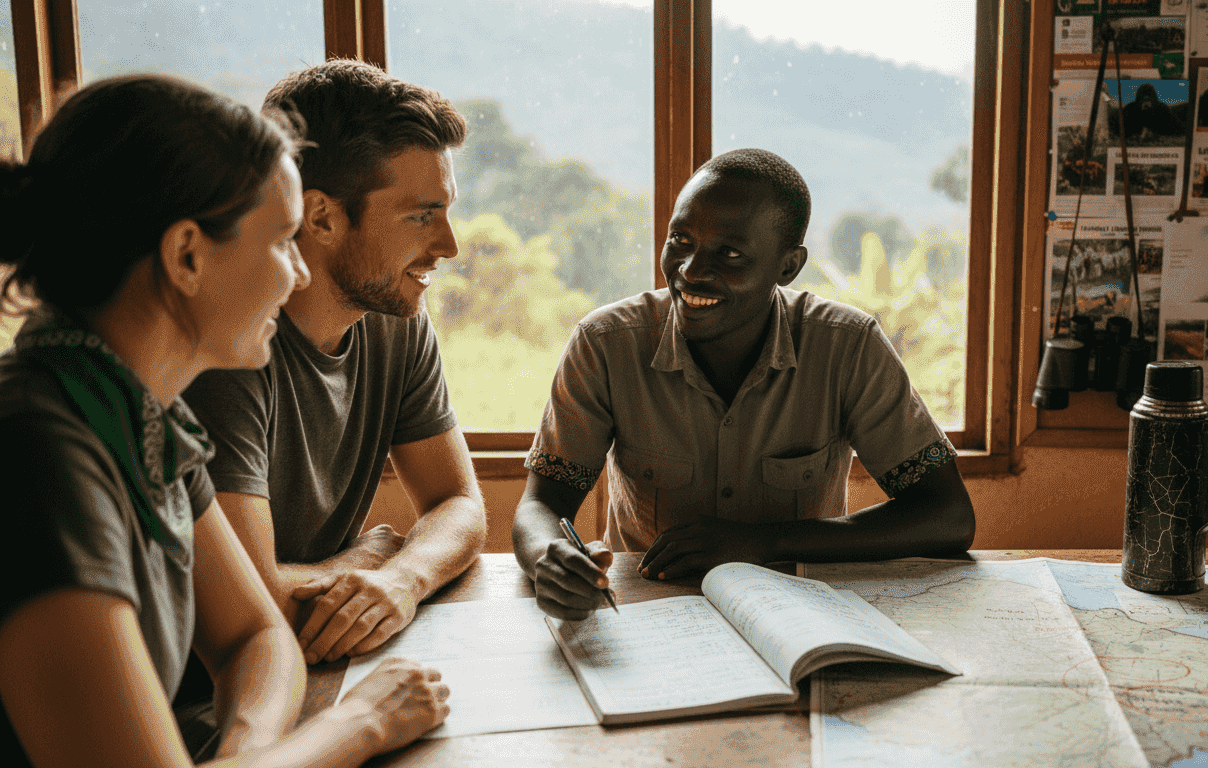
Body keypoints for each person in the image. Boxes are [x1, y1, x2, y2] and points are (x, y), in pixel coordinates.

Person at [0, 74, 448, 767]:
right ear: (187, 255)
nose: (300, 274)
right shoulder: (37, 456)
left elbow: (256, 637)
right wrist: (361, 722)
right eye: (282, 240)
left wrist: (243, 756)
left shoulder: (142, 414)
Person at [513, 148, 976, 621]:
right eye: (680, 240)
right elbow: (542, 503)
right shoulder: (606, 344)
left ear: (788, 266)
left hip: (801, 615)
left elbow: (947, 515)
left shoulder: (848, 347)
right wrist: (551, 559)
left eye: (729, 254)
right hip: (646, 611)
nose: (691, 270)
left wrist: (765, 542)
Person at [183, 60, 487, 667]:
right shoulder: (230, 348)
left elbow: (459, 502)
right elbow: (248, 600)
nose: (449, 246)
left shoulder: (396, 316)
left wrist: (402, 578)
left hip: (310, 657)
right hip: (209, 687)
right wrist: (361, 561)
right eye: (421, 215)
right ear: (322, 217)